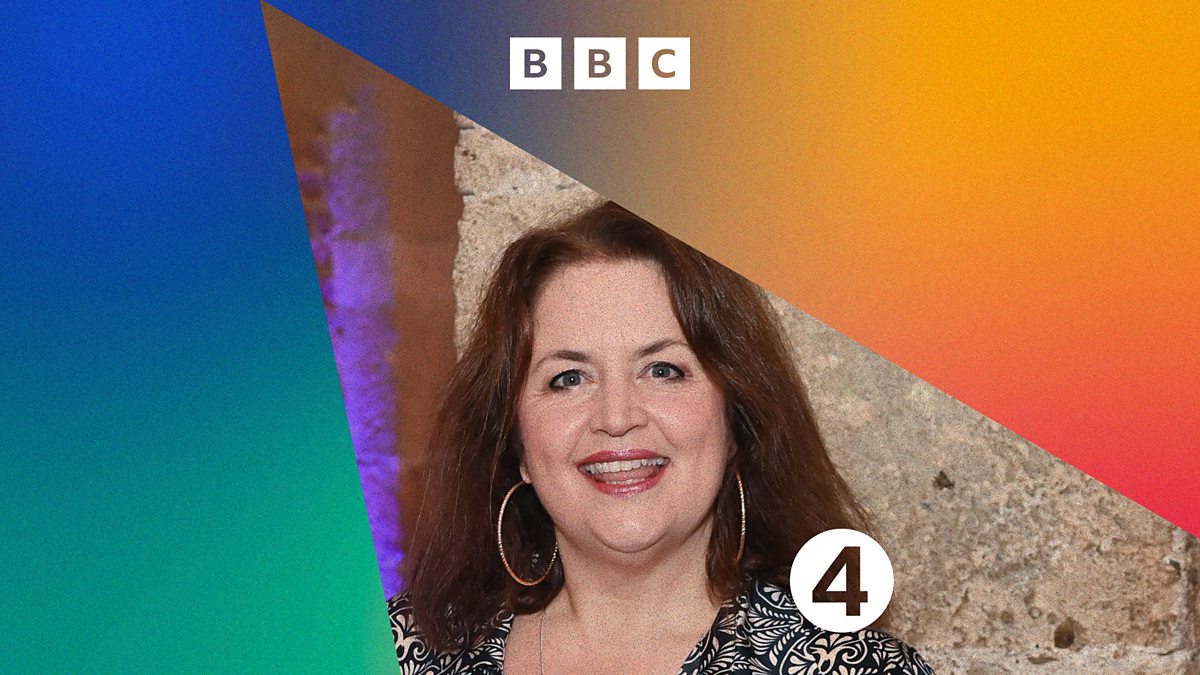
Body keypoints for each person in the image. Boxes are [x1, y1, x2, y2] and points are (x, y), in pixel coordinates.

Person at [389, 202, 933, 674]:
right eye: (568, 378)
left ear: (736, 423)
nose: (617, 416)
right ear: (516, 443)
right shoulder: (396, 651)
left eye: (663, 370)